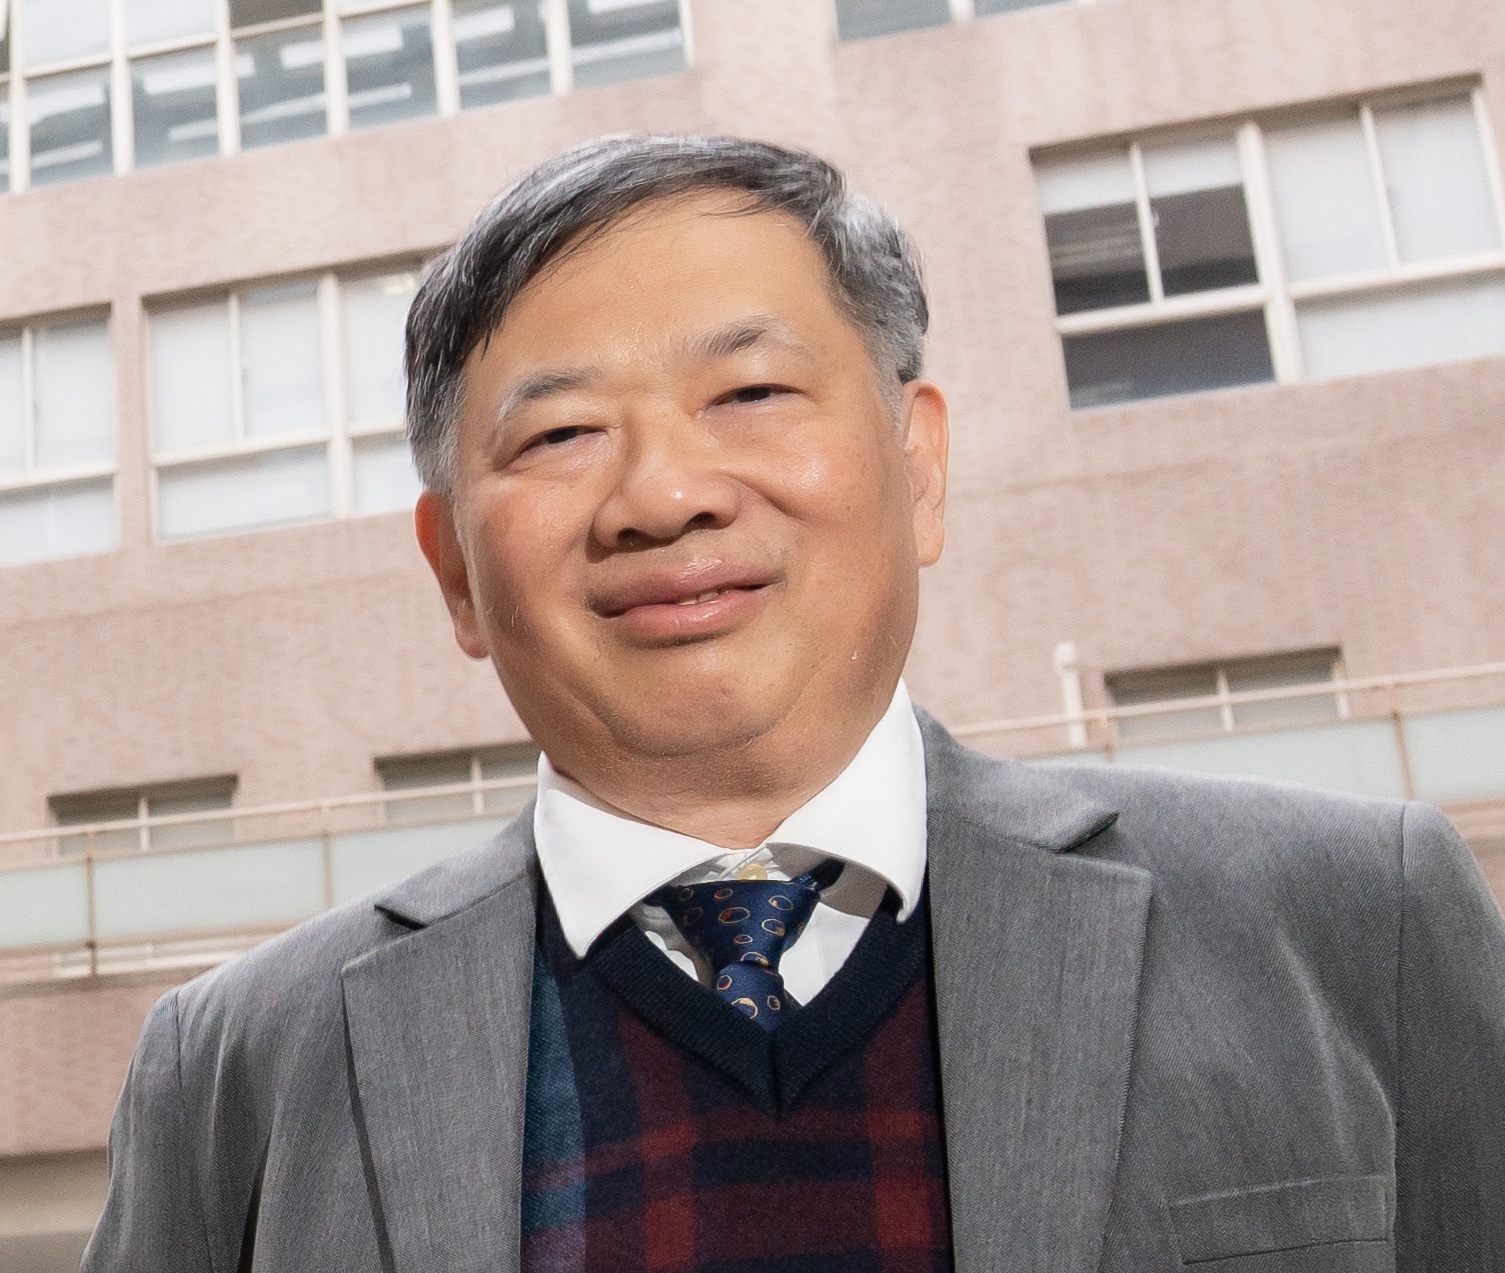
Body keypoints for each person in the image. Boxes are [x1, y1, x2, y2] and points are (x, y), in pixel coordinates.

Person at [84, 135, 1505, 1273]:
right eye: (562, 431)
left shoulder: (1351, 922)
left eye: (752, 391)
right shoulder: (241, 1073)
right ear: (455, 567)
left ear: (918, 465)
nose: (663, 494)